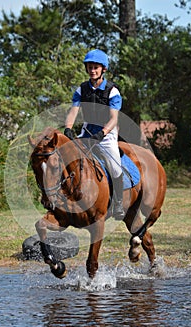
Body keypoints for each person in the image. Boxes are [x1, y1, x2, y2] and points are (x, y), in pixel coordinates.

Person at [64, 48, 125, 220]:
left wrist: (103, 134)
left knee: (115, 166)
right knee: (69, 159)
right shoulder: (82, 89)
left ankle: (118, 203)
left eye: (96, 67)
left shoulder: (112, 91)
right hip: (87, 131)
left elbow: (114, 118)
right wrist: (68, 127)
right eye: (90, 67)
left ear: (103, 69)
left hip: (108, 134)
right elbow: (73, 110)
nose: (92, 70)